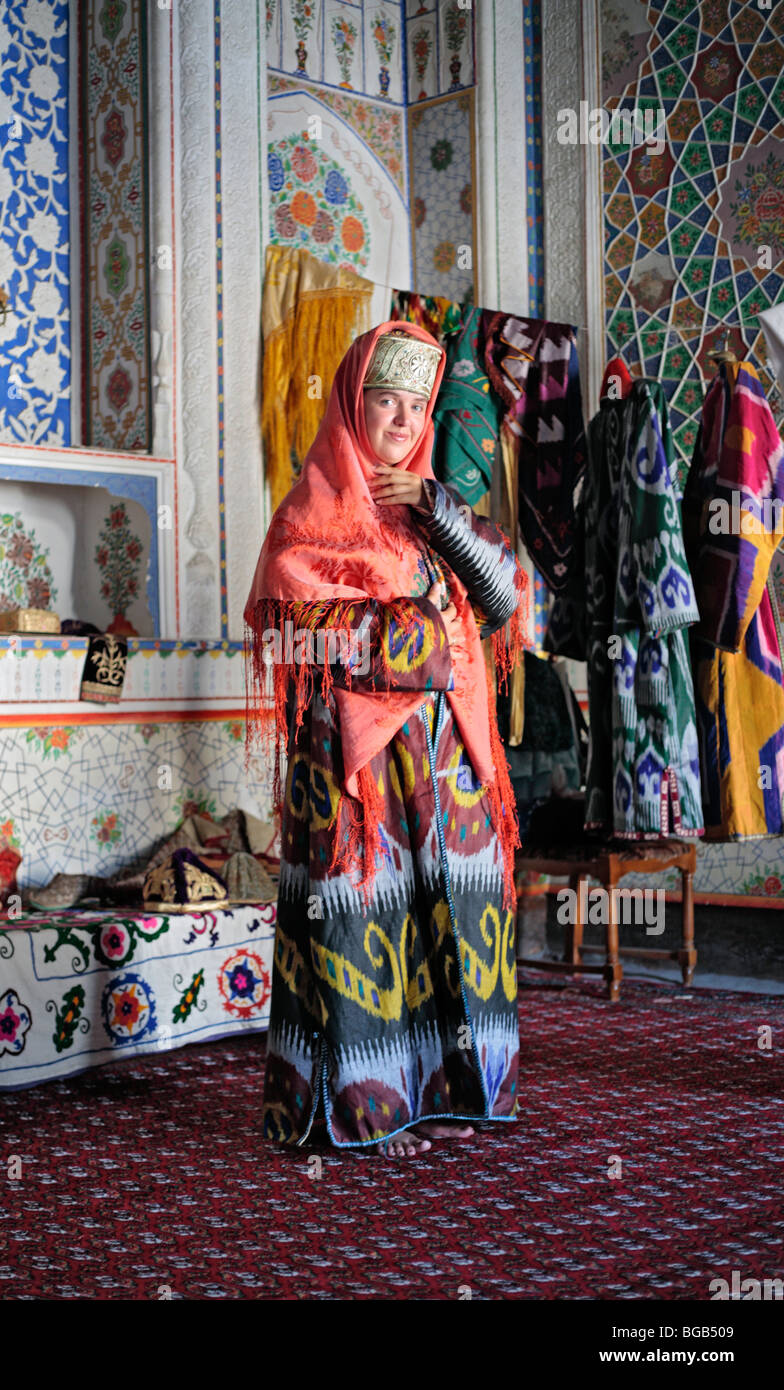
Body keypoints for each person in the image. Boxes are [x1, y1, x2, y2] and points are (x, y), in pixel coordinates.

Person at [245, 321, 526, 1157]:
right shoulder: (312, 514)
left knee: (451, 919)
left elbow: (506, 601)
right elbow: (297, 625)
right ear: (350, 406)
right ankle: (365, 1107)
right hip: (355, 770)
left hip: (451, 765)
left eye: (416, 405)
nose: (402, 421)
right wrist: (420, 632)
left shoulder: (432, 511)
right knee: (361, 924)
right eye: (384, 401)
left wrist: (441, 518)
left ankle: (451, 1090)